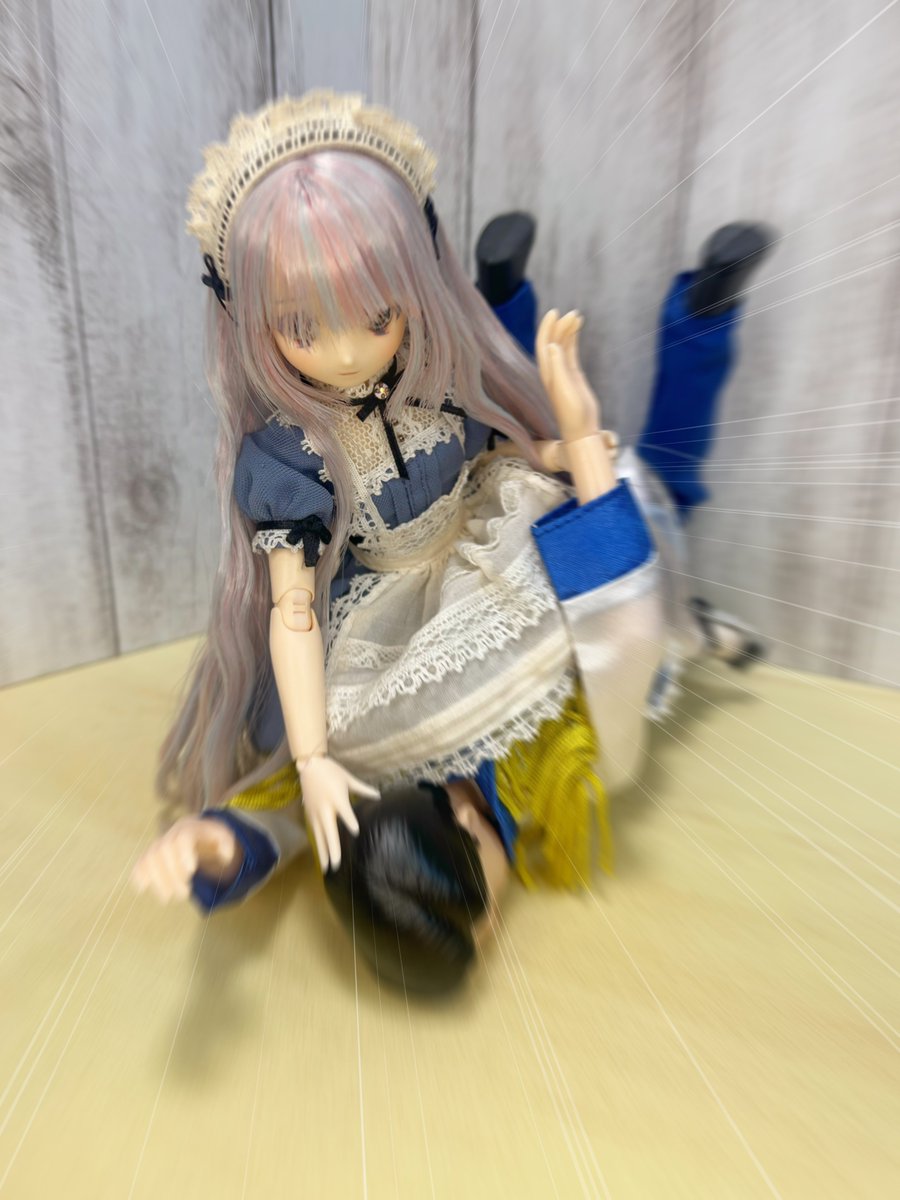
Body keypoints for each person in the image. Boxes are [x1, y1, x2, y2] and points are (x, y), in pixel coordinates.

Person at [132, 91, 757, 992]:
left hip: (471, 550)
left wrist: (554, 446)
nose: (349, 355)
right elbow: (290, 607)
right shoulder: (290, 459)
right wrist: (581, 453)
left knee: (567, 426)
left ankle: (510, 290)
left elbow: (490, 434)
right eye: (302, 327)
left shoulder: (428, 381)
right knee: (649, 514)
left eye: (375, 314)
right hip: (441, 603)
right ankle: (688, 317)